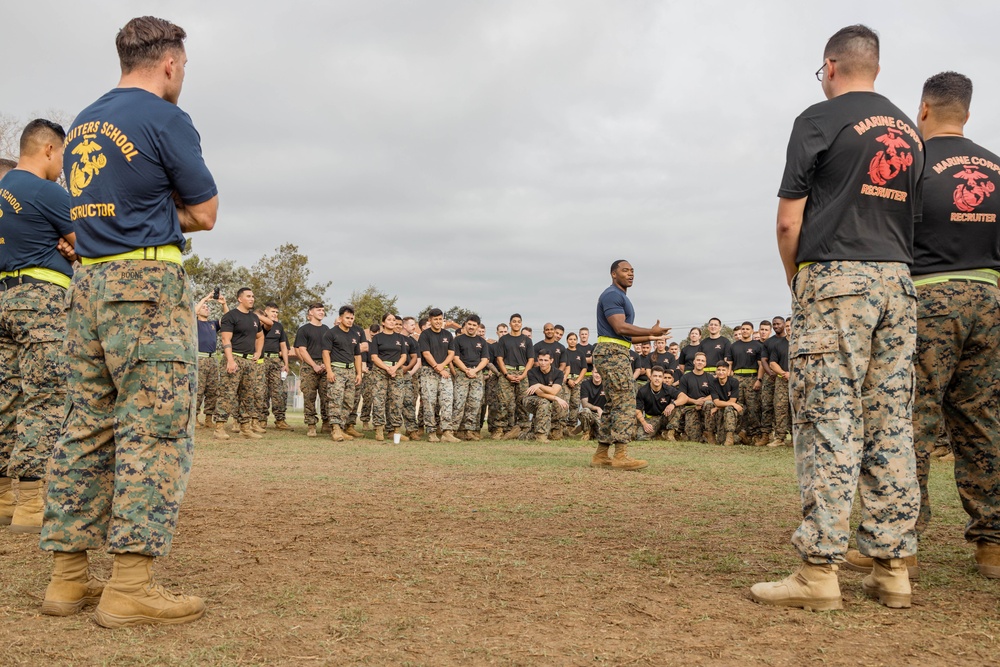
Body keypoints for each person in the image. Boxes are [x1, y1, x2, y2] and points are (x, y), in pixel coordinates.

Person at [40, 16, 218, 627]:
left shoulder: (86, 119)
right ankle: (129, 587)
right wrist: (160, 210)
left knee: (85, 424)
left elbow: (91, 205)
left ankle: (66, 582)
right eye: (185, 67)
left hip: (86, 285)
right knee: (155, 429)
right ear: (169, 63)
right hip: (144, 286)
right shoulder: (166, 118)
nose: (184, 76)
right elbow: (205, 211)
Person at [752, 25, 924, 612]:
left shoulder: (818, 120)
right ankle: (892, 568)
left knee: (829, 417)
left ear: (831, 66)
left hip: (835, 279)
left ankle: (819, 573)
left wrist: (799, 284)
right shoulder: (910, 130)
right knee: (890, 421)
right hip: (898, 284)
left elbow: (787, 224)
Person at [848, 72, 1000, 581]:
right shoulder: (998, 168)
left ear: (924, 110)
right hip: (991, 299)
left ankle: (897, 543)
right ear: (968, 113)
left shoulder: (913, 163)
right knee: (982, 421)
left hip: (931, 297)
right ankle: (992, 546)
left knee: (909, 420)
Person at [0, 119, 74, 533]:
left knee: (6, 397)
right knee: (44, 397)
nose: (62, 165)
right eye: (62, 155)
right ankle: (30, 502)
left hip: (3, 298)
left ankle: (4, 499)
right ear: (48, 149)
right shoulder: (47, 192)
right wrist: (68, 250)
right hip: (40, 302)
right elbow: (89, 244)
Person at [591, 260, 668, 470]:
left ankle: (601, 455)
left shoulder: (621, 297)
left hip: (616, 350)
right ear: (613, 274)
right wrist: (649, 331)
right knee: (625, 401)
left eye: (632, 271)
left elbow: (625, 338)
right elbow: (619, 327)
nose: (631, 274)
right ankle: (621, 456)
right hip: (612, 353)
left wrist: (652, 335)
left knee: (613, 404)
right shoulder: (612, 295)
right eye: (625, 270)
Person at [216, 288, 265, 440]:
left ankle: (246, 428)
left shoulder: (255, 318)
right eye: (248, 296)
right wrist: (230, 360)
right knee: (227, 394)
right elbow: (225, 339)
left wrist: (258, 352)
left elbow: (260, 336)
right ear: (239, 299)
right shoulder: (230, 316)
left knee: (248, 395)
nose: (252, 299)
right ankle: (219, 427)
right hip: (234, 358)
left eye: (253, 296)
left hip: (249, 361)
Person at [321, 305, 363, 442]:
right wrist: (329, 371)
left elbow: (357, 355)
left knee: (349, 401)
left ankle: (342, 426)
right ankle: (335, 429)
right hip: (337, 369)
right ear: (340, 318)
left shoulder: (355, 335)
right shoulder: (331, 333)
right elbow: (325, 353)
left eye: (352, 318)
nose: (350, 320)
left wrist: (359, 373)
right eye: (347, 318)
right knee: (335, 400)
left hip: (350, 370)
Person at [418, 308, 459, 442]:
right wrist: (437, 367)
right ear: (430, 320)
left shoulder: (448, 335)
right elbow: (426, 354)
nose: (438, 322)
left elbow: (451, 353)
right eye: (435, 319)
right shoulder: (425, 335)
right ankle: (431, 432)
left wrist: (442, 367)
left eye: (440, 319)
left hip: (444, 372)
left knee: (447, 401)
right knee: (429, 402)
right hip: (429, 371)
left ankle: (447, 432)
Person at [369, 313, 408, 442]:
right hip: (380, 370)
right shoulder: (377, 338)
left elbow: (403, 356)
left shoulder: (400, 338)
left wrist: (395, 368)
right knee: (379, 400)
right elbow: (374, 357)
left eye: (394, 320)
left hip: (396, 371)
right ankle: (379, 429)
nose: (392, 322)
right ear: (383, 323)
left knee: (396, 401)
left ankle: (395, 431)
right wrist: (387, 368)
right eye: (389, 320)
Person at [450, 314, 489, 440]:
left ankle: (469, 430)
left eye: (474, 325)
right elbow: (455, 358)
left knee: (475, 403)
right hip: (462, 373)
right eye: (470, 324)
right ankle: (454, 430)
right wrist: (466, 370)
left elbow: (485, 359)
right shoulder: (457, 340)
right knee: (459, 402)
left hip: (477, 374)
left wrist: (475, 370)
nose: (471, 327)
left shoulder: (482, 342)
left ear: (478, 327)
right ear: (465, 324)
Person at [494, 314, 534, 439]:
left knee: (523, 402)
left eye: (519, 322)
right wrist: (506, 374)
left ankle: (523, 428)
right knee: (504, 402)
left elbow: (531, 359)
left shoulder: (527, 340)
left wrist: (523, 375)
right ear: (510, 324)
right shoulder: (504, 339)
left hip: (522, 373)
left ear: (521, 324)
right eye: (514, 321)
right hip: (507, 373)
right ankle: (501, 428)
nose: (516, 323)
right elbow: (499, 358)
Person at [294, 303, 330, 437]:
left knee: (326, 396)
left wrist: (326, 364)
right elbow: (302, 350)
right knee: (309, 396)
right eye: (318, 310)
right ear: (311, 313)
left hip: (325, 366)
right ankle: (311, 425)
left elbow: (329, 349)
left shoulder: (327, 329)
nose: (321, 312)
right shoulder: (304, 330)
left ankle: (326, 423)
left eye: (323, 310)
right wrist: (314, 365)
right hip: (309, 366)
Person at [255, 303, 290, 431]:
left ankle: (280, 419)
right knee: (261, 391)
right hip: (262, 359)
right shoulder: (259, 325)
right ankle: (262, 419)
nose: (275, 314)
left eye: (277, 312)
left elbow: (283, 346)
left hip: (276, 360)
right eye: (272, 312)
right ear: (266, 312)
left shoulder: (279, 327)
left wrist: (286, 363)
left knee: (279, 391)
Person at [730, 321, 765, 445]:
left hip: (752, 378)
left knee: (753, 407)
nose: (745, 331)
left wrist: (759, 380)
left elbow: (761, 365)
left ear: (752, 331)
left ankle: (755, 434)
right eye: (743, 329)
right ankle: (739, 434)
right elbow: (729, 364)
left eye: (747, 329)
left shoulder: (757, 345)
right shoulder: (734, 346)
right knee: (738, 406)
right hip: (737, 378)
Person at [194, 293, 225, 429]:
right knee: (198, 390)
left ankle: (208, 418)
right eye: (204, 307)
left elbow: (227, 320)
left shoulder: (213, 324)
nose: (206, 308)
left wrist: (223, 304)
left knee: (212, 390)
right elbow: (192, 311)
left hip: (212, 360)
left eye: (208, 307)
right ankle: (194, 417)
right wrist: (205, 298)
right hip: (199, 359)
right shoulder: (193, 322)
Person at [524, 351, 568, 443]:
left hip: (549, 399)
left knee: (561, 399)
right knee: (544, 402)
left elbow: (554, 391)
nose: (543, 363)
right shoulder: (531, 372)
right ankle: (541, 435)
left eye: (546, 360)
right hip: (530, 400)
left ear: (551, 360)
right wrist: (556, 398)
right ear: (537, 360)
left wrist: (539, 385)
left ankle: (555, 428)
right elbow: (539, 394)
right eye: (540, 360)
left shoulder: (558, 373)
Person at [672, 352, 714, 442]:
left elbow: (714, 394)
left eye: (702, 361)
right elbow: (682, 396)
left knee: (709, 403)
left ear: (705, 363)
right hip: (691, 408)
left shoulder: (710, 378)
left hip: (706, 408)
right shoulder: (685, 378)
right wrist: (695, 402)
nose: (700, 362)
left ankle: (709, 433)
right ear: (694, 362)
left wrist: (702, 401)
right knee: (694, 439)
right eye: (698, 360)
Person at [763, 322, 791, 447]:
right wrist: (784, 373)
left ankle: (797, 438)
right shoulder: (779, 344)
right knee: (780, 408)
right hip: (782, 380)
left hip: (799, 381)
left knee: (797, 409)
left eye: (793, 326)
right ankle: (780, 437)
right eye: (788, 326)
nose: (790, 328)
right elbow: (772, 363)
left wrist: (794, 374)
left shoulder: (802, 343)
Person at [634, 367, 680, 442]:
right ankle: (659, 434)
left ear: (662, 378)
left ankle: (670, 433)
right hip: (651, 418)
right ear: (650, 377)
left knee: (678, 405)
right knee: (641, 437)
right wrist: (645, 424)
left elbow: (684, 397)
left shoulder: (668, 389)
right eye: (655, 376)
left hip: (665, 416)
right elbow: (637, 410)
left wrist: (673, 404)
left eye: (660, 376)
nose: (657, 378)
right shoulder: (643, 391)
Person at [708, 364, 741, 446]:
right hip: (722, 408)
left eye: (723, 370)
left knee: (729, 408)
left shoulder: (734, 382)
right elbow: (716, 402)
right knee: (720, 440)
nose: (721, 372)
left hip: (736, 410)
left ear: (728, 372)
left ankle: (730, 437)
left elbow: (733, 401)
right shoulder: (713, 382)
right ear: (716, 371)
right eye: (719, 370)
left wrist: (718, 407)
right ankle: (739, 437)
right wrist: (717, 407)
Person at [578, 370, 606, 443]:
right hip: (590, 413)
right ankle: (586, 433)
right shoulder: (585, 384)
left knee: (602, 436)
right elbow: (584, 403)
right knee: (584, 411)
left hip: (602, 414)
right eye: (596, 372)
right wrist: (597, 408)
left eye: (600, 373)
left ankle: (593, 431)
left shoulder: (607, 384)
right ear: (592, 372)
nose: (598, 375)